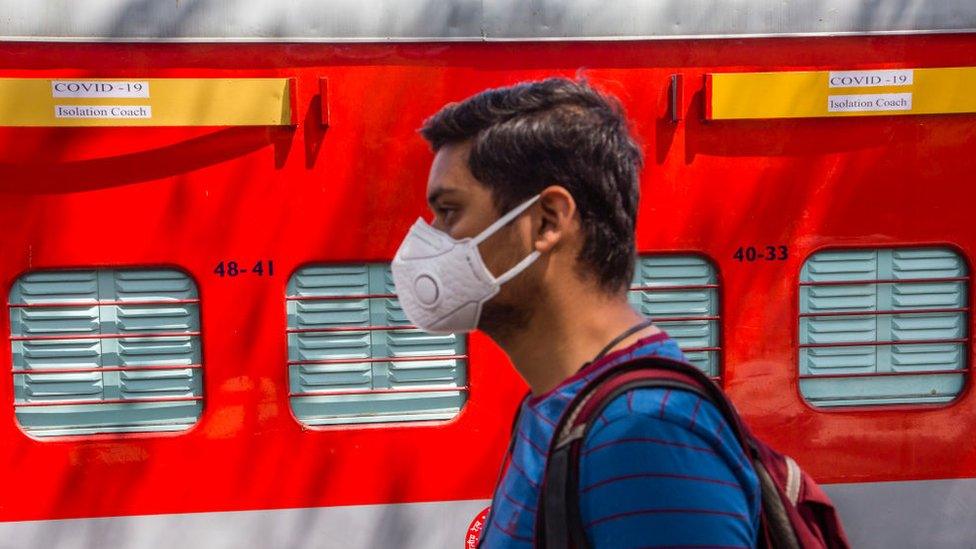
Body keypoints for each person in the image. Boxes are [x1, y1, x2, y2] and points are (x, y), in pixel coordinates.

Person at [391, 78, 760, 548]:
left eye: (449, 211)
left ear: (546, 221)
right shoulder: (563, 409)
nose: (431, 240)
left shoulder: (643, 435)